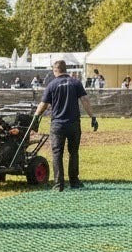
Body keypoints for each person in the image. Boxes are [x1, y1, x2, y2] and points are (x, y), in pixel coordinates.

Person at [33, 59, 98, 191]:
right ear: (65, 69)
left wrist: (35, 117)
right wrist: (93, 117)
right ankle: (74, 181)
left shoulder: (52, 85)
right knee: (73, 152)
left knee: (57, 153)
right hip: (74, 123)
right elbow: (85, 100)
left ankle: (58, 184)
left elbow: (43, 105)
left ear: (55, 70)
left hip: (57, 124)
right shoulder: (75, 83)